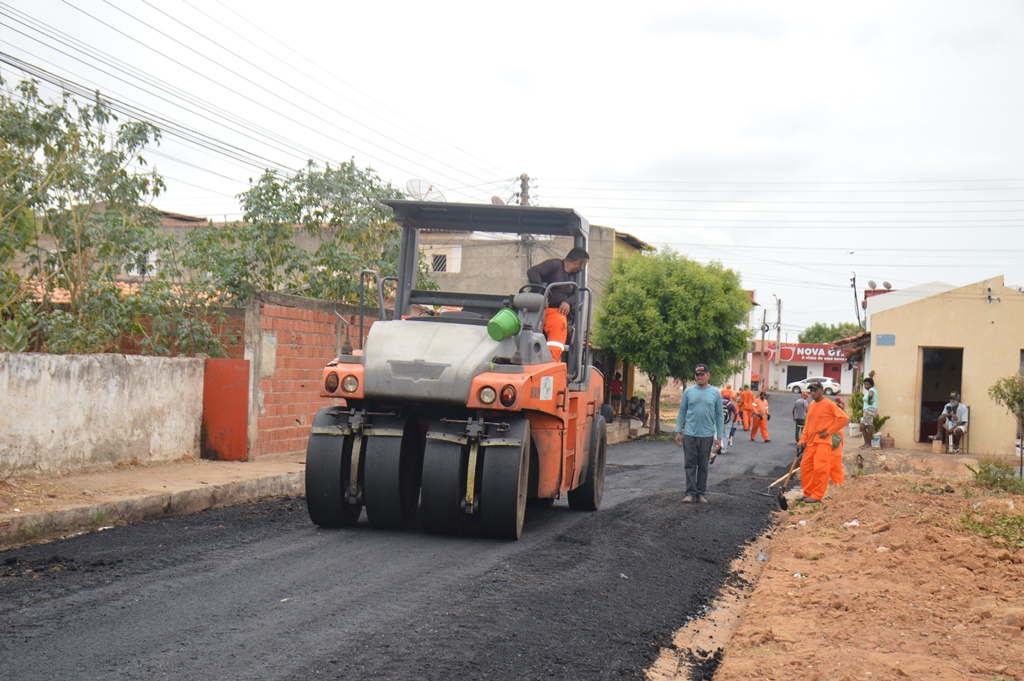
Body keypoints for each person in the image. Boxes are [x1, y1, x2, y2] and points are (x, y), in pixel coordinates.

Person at [526, 247, 589, 362]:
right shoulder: (554, 265)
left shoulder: (572, 277)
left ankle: (552, 360)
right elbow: (533, 272)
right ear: (578, 263)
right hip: (540, 309)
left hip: (556, 312)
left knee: (559, 325)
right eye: (583, 265)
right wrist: (542, 293)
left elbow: (576, 293)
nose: (583, 268)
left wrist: (568, 302)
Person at [675, 363, 724, 504]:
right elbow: (682, 412)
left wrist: (719, 438)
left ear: (708, 375)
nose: (699, 377)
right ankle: (690, 493)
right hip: (690, 434)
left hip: (707, 435)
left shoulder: (715, 393)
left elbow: (720, 415)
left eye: (702, 374)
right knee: (690, 464)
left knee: (703, 465)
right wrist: (678, 431)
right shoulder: (688, 392)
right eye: (697, 375)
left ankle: (700, 493)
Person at [796, 382, 850, 503]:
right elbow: (807, 426)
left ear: (822, 391)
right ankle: (808, 493)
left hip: (823, 442)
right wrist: (802, 439)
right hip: (810, 442)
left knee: (820, 468)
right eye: (811, 391)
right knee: (805, 467)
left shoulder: (829, 404)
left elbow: (844, 418)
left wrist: (829, 431)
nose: (812, 393)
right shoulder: (811, 405)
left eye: (815, 390)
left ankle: (817, 495)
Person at [860, 377, 878, 449]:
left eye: (867, 384)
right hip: (870, 410)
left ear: (871, 384)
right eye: (864, 384)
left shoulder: (871, 390)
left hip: (869, 410)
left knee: (866, 427)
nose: (865, 386)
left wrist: (869, 400)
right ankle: (867, 443)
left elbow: (871, 395)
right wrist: (871, 376)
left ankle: (868, 444)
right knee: (864, 427)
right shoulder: (873, 389)